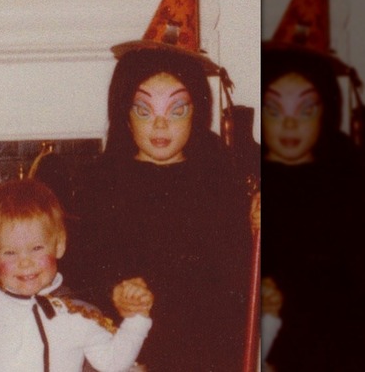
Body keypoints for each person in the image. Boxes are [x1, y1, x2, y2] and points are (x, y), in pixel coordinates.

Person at [64, 48, 253, 371]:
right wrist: (115, 290)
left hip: (202, 348)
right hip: (127, 345)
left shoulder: (218, 182)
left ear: (197, 113)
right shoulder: (101, 181)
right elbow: (84, 263)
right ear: (125, 113)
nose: (161, 124)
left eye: (177, 110)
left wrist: (255, 225)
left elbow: (238, 275)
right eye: (144, 110)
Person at [0, 178, 153, 372]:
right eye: (10, 252)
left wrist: (136, 320)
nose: (24, 262)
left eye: (37, 248)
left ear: (59, 245)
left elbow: (112, 363)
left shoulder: (79, 316)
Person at [260, 48, 365, 371]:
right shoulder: (247, 179)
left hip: (327, 346)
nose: (288, 123)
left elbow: (361, 287)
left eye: (305, 110)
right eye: (273, 110)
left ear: (325, 111)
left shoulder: (346, 183)